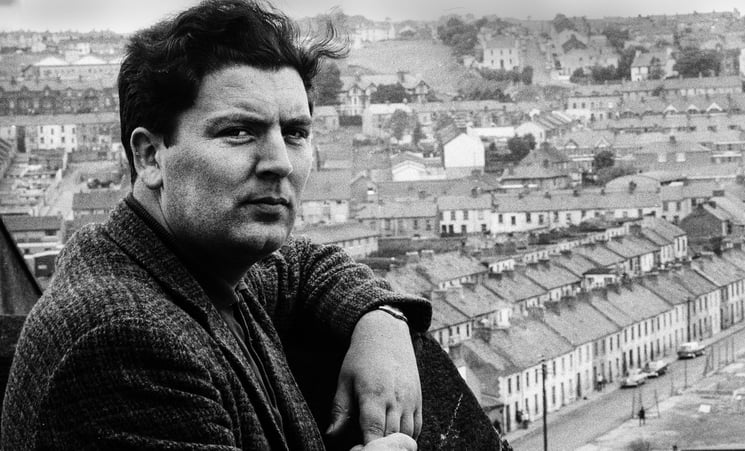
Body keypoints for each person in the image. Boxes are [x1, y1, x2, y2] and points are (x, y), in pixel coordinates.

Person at [1, 1, 505, 450]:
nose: (279, 162)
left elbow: (306, 265)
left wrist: (381, 320)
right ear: (151, 155)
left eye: (295, 132)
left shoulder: (190, 265)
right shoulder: (123, 338)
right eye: (238, 131)